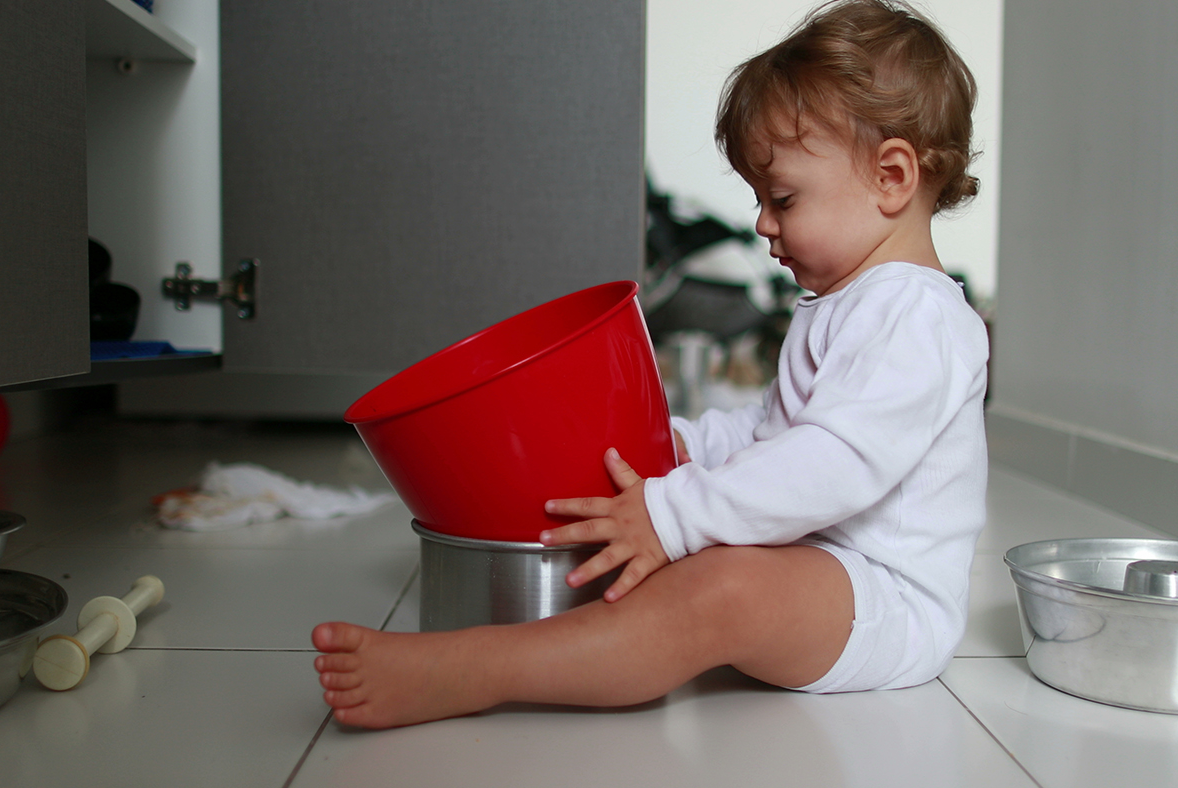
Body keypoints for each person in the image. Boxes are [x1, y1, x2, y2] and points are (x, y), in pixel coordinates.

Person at [311, 0, 988, 729]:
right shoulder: (854, 303)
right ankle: (562, 642)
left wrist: (674, 512)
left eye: (782, 197)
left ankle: (478, 669)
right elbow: (778, 433)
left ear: (892, 177)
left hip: (887, 603)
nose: (762, 222)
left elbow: (832, 463)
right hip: (821, 570)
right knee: (694, 552)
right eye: (760, 199)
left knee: (719, 586)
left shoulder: (917, 316)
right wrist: (680, 448)